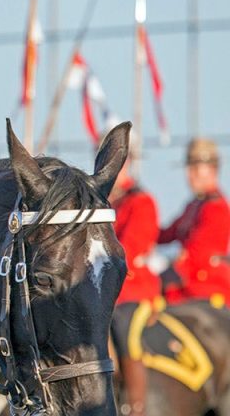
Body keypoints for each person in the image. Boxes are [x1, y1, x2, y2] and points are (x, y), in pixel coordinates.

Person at [108, 160, 160, 416]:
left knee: (124, 329)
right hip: (109, 293)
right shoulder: (108, 202)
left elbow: (129, 249)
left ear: (126, 165)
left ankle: (136, 408)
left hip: (134, 291)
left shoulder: (140, 201)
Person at [159, 137, 230, 303]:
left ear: (212, 169)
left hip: (207, 290)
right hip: (186, 289)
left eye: (196, 169)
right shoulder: (193, 206)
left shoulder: (216, 208)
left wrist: (164, 278)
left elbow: (197, 255)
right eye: (189, 168)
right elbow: (165, 234)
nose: (189, 175)